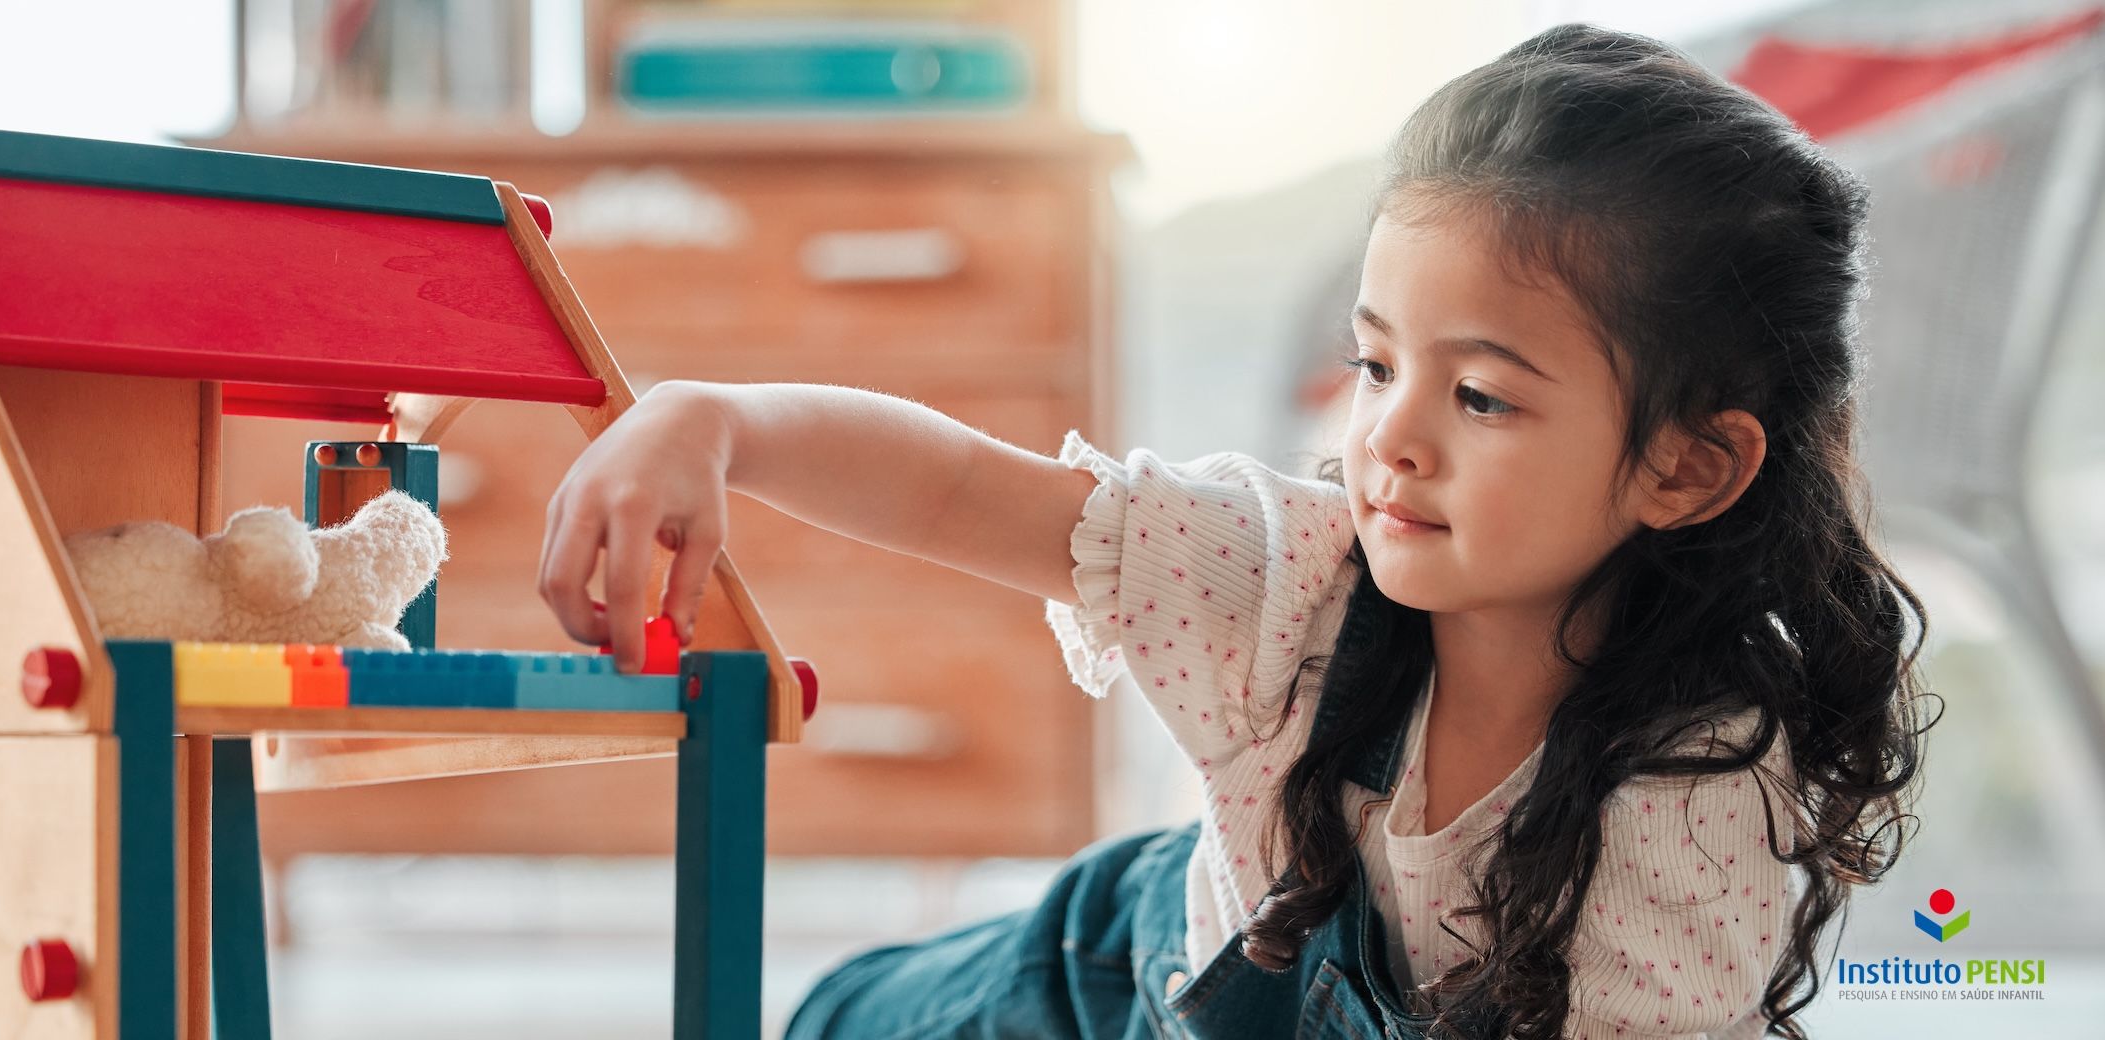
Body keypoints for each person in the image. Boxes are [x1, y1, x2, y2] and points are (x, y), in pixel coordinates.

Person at [535, 23, 1934, 1040]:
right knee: (837, 1025)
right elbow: (967, 490)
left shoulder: (1697, 790)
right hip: (1101, 975)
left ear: (1685, 470)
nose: (1391, 432)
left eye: (1482, 397)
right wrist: (714, 422)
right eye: (1375, 365)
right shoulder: (1284, 573)